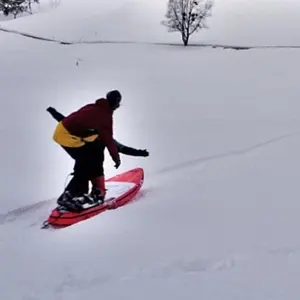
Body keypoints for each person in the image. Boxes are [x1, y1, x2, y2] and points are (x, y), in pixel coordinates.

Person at [48, 91, 149, 211]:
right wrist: (116, 159)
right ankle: (68, 196)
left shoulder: (93, 110)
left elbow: (71, 121)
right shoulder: (104, 119)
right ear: (116, 104)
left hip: (64, 134)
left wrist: (139, 152)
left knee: (86, 163)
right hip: (68, 137)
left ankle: (81, 194)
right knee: (86, 164)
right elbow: (113, 145)